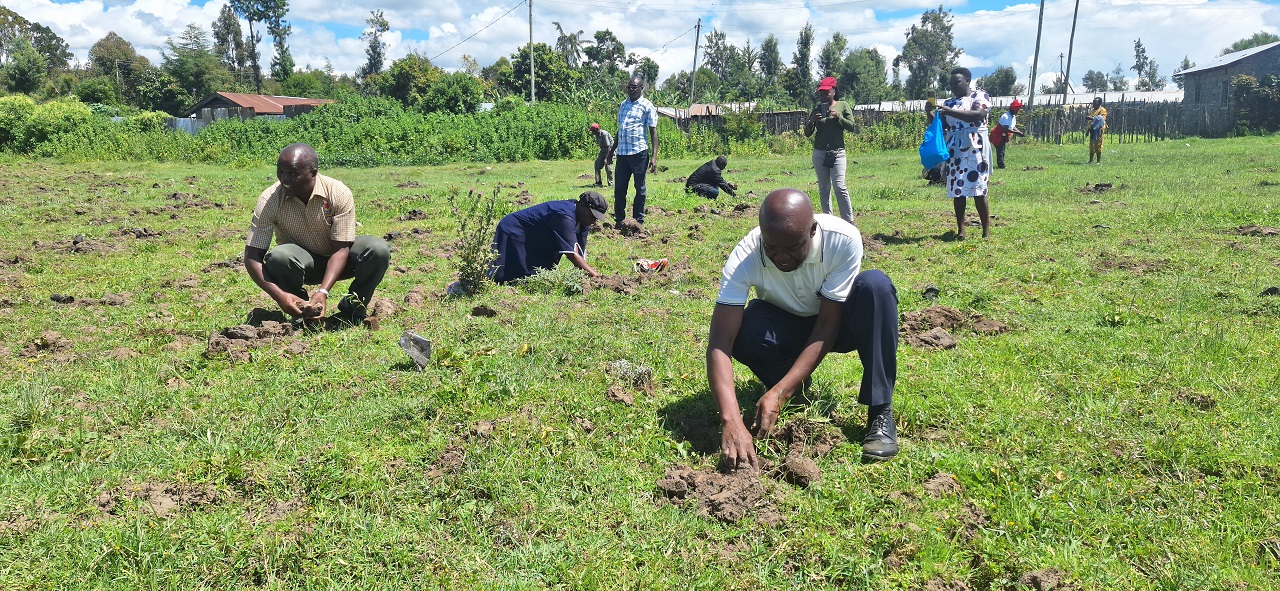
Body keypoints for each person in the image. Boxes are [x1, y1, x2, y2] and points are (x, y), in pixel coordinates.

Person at [706, 188, 900, 469]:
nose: (781, 257)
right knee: (744, 329)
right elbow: (720, 341)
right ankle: (794, 386)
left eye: (792, 248)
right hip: (785, 325)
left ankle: (880, 411)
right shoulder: (746, 254)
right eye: (771, 248)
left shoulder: (842, 240)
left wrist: (779, 392)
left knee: (875, 286)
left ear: (812, 231)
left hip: (835, 324)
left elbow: (827, 326)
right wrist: (731, 419)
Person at [244, 143, 390, 324]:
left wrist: (323, 292)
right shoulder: (270, 200)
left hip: (340, 260)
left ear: (313, 173)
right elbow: (252, 256)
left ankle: (352, 309)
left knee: (378, 249)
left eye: (292, 173)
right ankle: (301, 310)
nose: (284, 179)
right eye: (280, 171)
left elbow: (341, 249)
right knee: (278, 256)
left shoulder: (337, 192)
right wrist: (280, 296)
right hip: (302, 265)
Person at [490, 191, 607, 283]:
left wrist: (585, 275)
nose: (593, 221)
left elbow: (580, 251)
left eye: (596, 218)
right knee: (504, 273)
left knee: (537, 271)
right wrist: (597, 277)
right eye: (592, 216)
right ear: (582, 206)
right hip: (514, 229)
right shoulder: (564, 215)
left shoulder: (583, 221)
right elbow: (572, 254)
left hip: (537, 234)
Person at [936, 67, 993, 240]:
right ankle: (961, 230)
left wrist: (949, 111)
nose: (953, 86)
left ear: (968, 81)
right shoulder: (949, 102)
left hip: (975, 147)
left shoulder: (979, 96)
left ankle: (986, 231)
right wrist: (930, 113)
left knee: (978, 189)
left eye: (957, 82)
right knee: (957, 189)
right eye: (951, 84)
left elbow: (977, 115)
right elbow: (942, 126)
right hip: (955, 149)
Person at [803, 76, 857, 223]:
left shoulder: (843, 105)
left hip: (837, 153)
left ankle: (849, 222)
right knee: (824, 188)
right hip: (820, 153)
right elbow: (807, 134)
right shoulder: (816, 109)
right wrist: (812, 121)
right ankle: (829, 222)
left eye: (826, 92)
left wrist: (838, 117)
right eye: (821, 93)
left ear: (834, 91)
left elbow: (852, 127)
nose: (823, 96)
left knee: (839, 186)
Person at [609, 75, 658, 226]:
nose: (631, 90)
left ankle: (638, 221)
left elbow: (653, 132)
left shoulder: (646, 106)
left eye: (634, 87)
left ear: (641, 89)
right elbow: (620, 130)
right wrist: (611, 151)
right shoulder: (623, 104)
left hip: (639, 153)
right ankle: (619, 220)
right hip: (623, 154)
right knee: (619, 189)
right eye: (629, 87)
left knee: (640, 188)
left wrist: (654, 157)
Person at [989, 99, 1025, 169]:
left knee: (1002, 150)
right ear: (1013, 109)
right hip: (997, 135)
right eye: (1017, 110)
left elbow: (1013, 126)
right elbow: (1006, 129)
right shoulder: (1006, 116)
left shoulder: (1013, 117)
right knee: (1000, 151)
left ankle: (1000, 164)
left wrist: (1019, 132)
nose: (1017, 111)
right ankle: (1001, 166)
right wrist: (1017, 133)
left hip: (1003, 135)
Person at [1087, 97, 1108, 164]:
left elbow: (1101, 119)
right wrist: (1088, 130)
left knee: (1098, 144)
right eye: (1093, 102)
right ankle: (1091, 160)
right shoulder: (1092, 111)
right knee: (1092, 145)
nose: (1093, 104)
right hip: (1092, 130)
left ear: (1099, 103)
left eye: (1095, 102)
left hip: (1099, 130)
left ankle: (1098, 161)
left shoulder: (1102, 110)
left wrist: (1091, 118)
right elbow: (1090, 123)